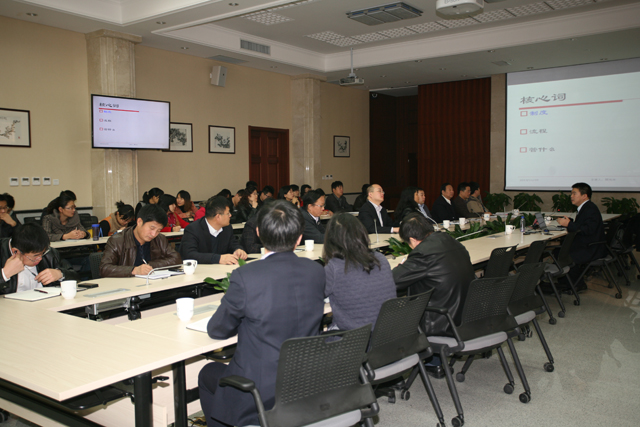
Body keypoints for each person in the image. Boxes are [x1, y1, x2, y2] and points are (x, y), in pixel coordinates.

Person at [198, 200, 325, 427]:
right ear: (299, 238)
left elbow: (218, 330)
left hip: (259, 391)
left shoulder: (247, 275)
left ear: (258, 233)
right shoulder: (316, 270)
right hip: (306, 381)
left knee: (208, 372)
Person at [392, 213, 475, 376]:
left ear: (413, 240)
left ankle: (423, 364)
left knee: (391, 313)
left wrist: (402, 266)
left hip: (441, 322)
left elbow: (393, 281)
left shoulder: (423, 253)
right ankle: (433, 361)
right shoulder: (453, 242)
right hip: (466, 315)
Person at [323, 213, 396, 331]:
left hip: (354, 338)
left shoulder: (334, 268)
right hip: (386, 333)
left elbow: (313, 296)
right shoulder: (380, 258)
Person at [100, 204, 182, 278]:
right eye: (152, 228)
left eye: (158, 230)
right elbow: (104, 268)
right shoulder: (117, 241)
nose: (154, 234)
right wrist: (133, 270)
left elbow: (177, 259)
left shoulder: (160, 239)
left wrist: (149, 266)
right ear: (139, 222)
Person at [556, 182, 606, 290]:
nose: (571, 196)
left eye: (574, 193)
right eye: (571, 193)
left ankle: (575, 284)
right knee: (559, 250)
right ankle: (566, 281)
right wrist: (570, 223)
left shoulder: (590, 209)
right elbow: (583, 226)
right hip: (588, 244)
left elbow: (587, 230)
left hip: (591, 248)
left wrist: (569, 224)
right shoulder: (586, 207)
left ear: (584, 196)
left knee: (562, 253)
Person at [1, 223, 77, 294]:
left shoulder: (48, 253)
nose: (40, 258)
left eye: (42, 253)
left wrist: (60, 274)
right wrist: (4, 274)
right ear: (16, 251)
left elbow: (75, 276)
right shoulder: (2, 253)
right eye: (35, 256)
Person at [180, 196, 247, 265]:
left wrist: (238, 249)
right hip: (201, 269)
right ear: (218, 216)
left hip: (222, 269)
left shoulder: (227, 227)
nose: (230, 215)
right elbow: (189, 254)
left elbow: (233, 243)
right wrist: (218, 258)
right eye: (228, 213)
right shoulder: (193, 229)